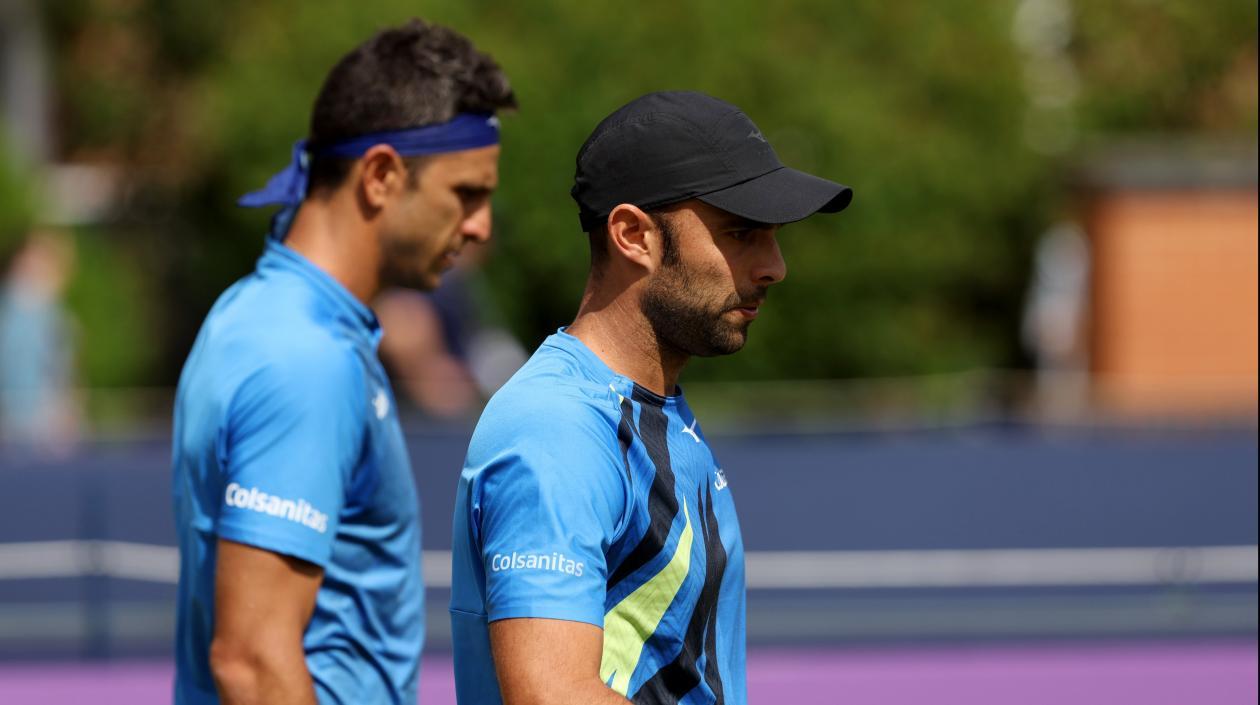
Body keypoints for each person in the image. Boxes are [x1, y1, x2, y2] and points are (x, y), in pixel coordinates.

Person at [450, 91, 852, 704]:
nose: (775, 266)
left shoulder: (643, 409)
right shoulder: (557, 425)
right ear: (633, 235)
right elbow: (550, 695)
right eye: (740, 232)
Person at [170, 20, 515, 705]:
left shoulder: (256, 312)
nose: (480, 226)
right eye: (465, 195)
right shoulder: (306, 358)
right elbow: (253, 661)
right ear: (383, 175)